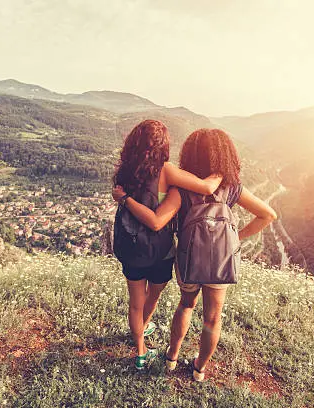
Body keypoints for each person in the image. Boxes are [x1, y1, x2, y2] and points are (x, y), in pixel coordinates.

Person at [113, 128, 277, 381]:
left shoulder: (181, 189)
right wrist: (236, 238)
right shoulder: (232, 188)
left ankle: (171, 357)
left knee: (186, 305)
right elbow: (268, 215)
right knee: (213, 318)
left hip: (189, 258)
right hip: (221, 261)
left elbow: (161, 218)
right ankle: (200, 368)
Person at [112, 120, 222, 370]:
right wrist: (221, 170)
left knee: (135, 303)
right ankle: (143, 329)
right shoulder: (165, 171)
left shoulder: (124, 171)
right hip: (159, 251)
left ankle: (140, 349)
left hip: (131, 249)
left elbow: (121, 199)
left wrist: (125, 199)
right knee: (153, 296)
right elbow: (206, 187)